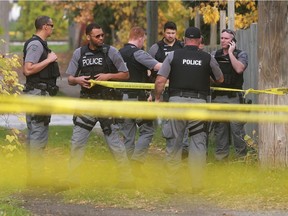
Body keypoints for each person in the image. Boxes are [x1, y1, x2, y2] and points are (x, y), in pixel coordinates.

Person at [154, 27, 223, 193]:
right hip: (199, 104)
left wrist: (157, 98)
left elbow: (160, 81)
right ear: (199, 41)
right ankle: (197, 185)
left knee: (174, 143)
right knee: (198, 144)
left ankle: (171, 185)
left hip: (176, 102)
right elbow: (220, 79)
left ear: (184, 39)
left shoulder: (173, 55)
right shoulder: (208, 58)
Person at [65, 23, 134, 188]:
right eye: (97, 36)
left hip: (107, 103)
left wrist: (108, 76)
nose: (101, 38)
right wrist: (78, 80)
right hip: (87, 103)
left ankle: (127, 179)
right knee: (77, 141)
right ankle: (71, 179)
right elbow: (69, 78)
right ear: (88, 37)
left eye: (102, 35)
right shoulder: (79, 53)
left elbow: (126, 74)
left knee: (114, 143)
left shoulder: (112, 52)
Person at [23, 15, 60, 186]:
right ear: (45, 26)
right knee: (38, 134)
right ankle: (36, 178)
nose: (53, 28)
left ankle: (33, 176)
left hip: (38, 94)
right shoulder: (36, 44)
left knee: (35, 134)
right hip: (38, 94)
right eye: (51, 25)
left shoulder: (39, 44)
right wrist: (49, 60)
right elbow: (28, 70)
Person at [119, 27, 161, 175]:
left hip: (121, 100)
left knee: (128, 135)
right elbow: (159, 66)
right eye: (143, 39)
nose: (144, 42)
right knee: (148, 130)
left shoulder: (118, 53)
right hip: (137, 100)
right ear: (140, 37)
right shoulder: (138, 53)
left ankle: (127, 170)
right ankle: (136, 163)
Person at [211, 29, 248, 161]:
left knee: (237, 131)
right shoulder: (215, 54)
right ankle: (221, 160)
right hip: (218, 97)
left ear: (232, 41)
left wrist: (231, 53)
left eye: (226, 38)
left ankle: (242, 159)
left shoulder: (241, 54)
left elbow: (239, 69)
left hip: (234, 98)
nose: (223, 40)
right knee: (220, 131)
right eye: (221, 38)